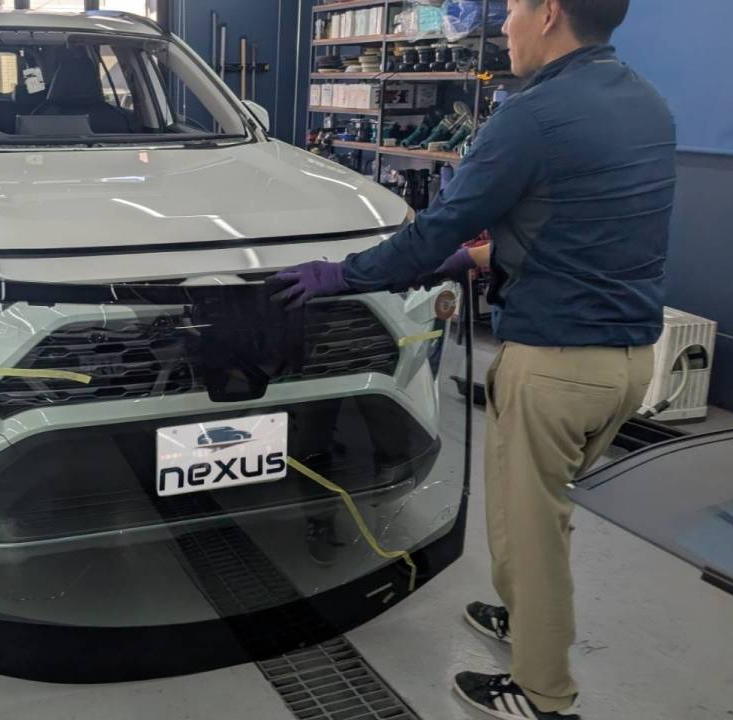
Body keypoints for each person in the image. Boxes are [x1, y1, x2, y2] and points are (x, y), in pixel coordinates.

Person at [269, 1, 675, 718]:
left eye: (513, 8)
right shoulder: (648, 104)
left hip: (554, 366)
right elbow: (586, 232)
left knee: (529, 529)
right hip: (628, 364)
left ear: (549, 13)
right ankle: (524, 617)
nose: (506, 24)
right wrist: (483, 260)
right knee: (543, 511)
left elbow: (433, 233)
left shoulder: (531, 115)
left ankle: (543, 694)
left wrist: (343, 274)